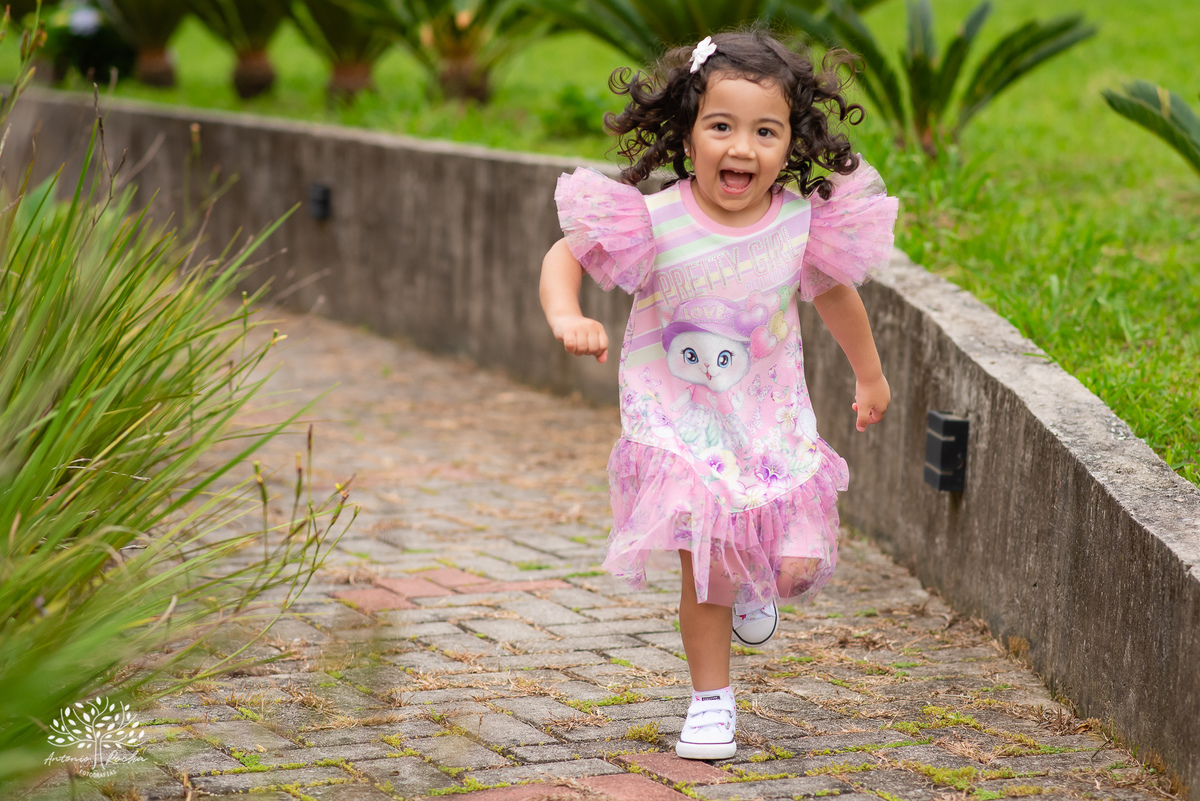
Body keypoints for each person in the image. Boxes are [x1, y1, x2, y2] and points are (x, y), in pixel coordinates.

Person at [539, 30, 898, 760]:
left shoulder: (801, 224)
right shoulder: (655, 219)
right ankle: (711, 701)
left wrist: (870, 374)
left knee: (795, 566)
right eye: (721, 126)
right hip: (679, 424)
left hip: (769, 423)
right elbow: (565, 253)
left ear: (792, 141)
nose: (742, 147)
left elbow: (836, 299)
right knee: (707, 568)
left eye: (765, 131)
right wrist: (566, 314)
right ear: (689, 133)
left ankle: (759, 583)